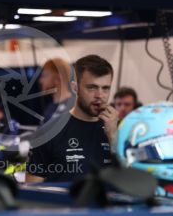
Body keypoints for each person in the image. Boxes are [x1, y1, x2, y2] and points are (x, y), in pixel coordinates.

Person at [26, 54, 119, 183]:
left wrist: (114, 139)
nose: (99, 95)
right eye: (91, 87)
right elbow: (31, 190)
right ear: (75, 87)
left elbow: (133, 182)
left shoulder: (120, 131)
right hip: (62, 203)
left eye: (105, 88)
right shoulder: (49, 131)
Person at [39, 58, 75, 124]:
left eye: (45, 76)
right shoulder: (50, 108)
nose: (41, 81)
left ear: (58, 78)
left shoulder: (74, 107)